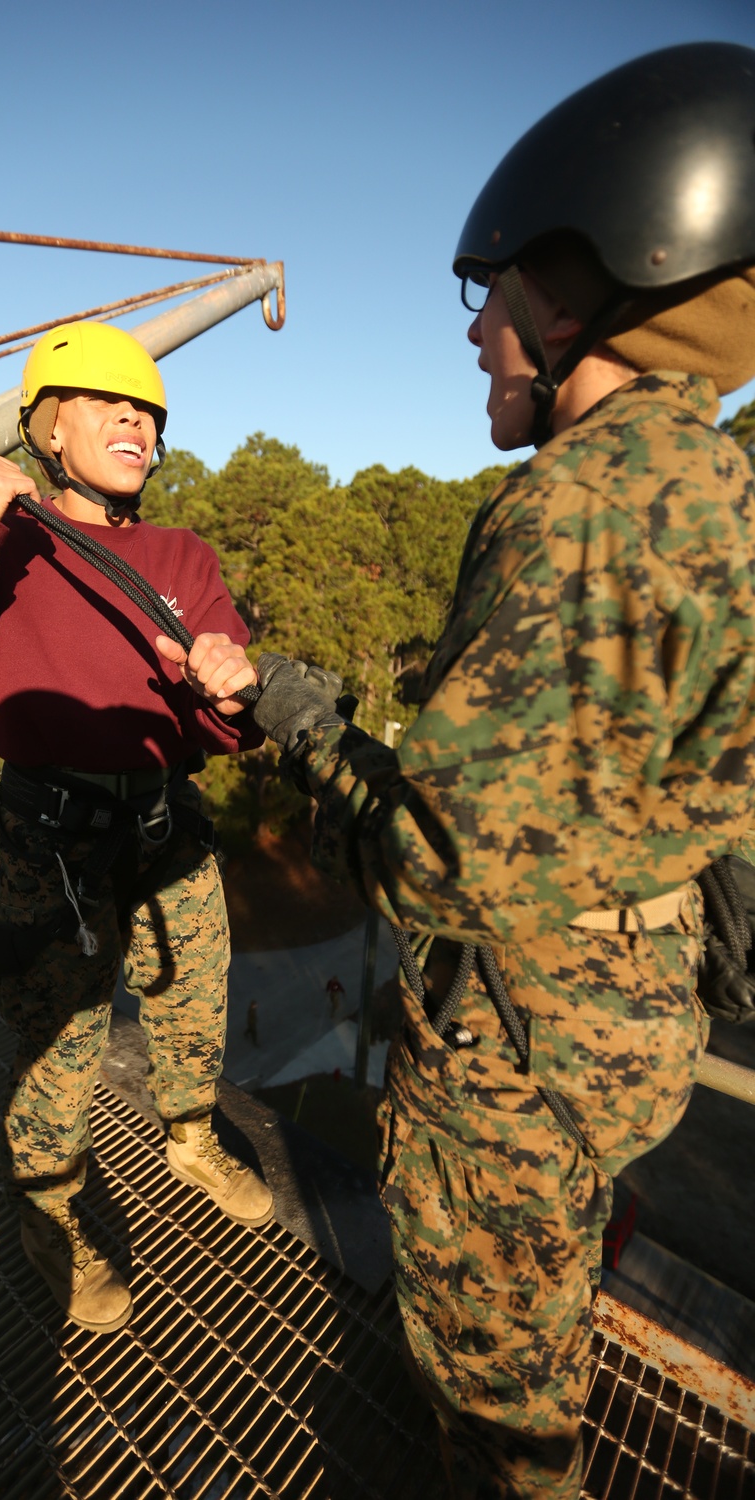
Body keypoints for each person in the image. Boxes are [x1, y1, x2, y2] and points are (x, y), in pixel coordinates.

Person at [249, 42, 755, 1498]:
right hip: (638, 1020)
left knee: (501, 1404)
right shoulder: (723, 487)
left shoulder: (576, 508)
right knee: (551, 1301)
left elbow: (443, 861)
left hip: (519, 1051)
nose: (481, 341)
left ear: (590, 283)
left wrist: (308, 734)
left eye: (502, 302)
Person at [0, 320, 273, 1335]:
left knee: (194, 1004)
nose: (135, 422)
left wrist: (230, 689)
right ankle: (47, 1217)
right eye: (108, 404)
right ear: (46, 427)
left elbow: (221, 724)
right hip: (52, 843)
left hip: (169, 826)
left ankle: (192, 1136)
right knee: (60, 1051)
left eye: (148, 414)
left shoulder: (179, 554)